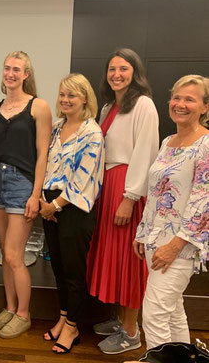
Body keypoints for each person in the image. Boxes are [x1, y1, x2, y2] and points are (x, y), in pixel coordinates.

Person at [86, 48, 159, 355]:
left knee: (129, 262)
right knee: (114, 258)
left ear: (135, 72)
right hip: (108, 186)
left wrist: (130, 198)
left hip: (127, 188)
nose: (117, 74)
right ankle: (120, 320)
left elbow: (145, 152)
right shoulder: (107, 107)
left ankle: (131, 331)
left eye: (124, 69)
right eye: (112, 69)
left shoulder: (143, 105)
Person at [133, 74, 209, 350]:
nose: (180, 104)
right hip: (156, 242)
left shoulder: (206, 145)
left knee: (153, 316)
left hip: (180, 247)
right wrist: (142, 234)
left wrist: (175, 246)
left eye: (190, 99)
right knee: (173, 312)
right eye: (176, 97)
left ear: (205, 108)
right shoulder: (168, 142)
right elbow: (155, 193)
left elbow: (204, 204)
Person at [0, 51, 52, 339]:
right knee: (4, 253)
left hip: (22, 184)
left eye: (17, 69)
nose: (10, 73)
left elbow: (42, 154)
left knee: (15, 255)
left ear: (26, 74)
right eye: (7, 68)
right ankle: (10, 307)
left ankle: (24, 314)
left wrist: (35, 194)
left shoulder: (39, 106)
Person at [39, 73, 105, 354]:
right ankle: (64, 317)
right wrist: (44, 200)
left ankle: (74, 327)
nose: (65, 100)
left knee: (74, 272)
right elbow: (46, 165)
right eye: (63, 94)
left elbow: (83, 177)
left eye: (72, 95)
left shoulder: (92, 133)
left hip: (74, 208)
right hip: (50, 204)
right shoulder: (56, 128)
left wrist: (54, 206)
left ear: (85, 99)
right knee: (58, 268)